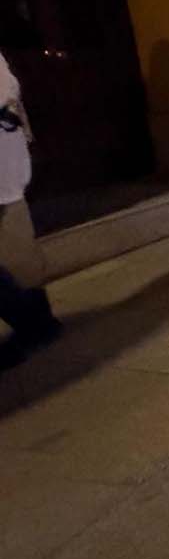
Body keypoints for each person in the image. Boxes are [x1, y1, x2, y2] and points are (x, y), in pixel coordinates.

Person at [0, 51, 60, 369]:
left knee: (17, 253)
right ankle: (36, 323)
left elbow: (5, 97)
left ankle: (38, 324)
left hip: (4, 176)